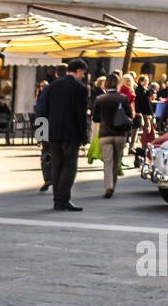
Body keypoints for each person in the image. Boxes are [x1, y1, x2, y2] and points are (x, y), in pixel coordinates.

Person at [43, 57, 90, 211]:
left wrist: (41, 134)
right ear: (78, 71)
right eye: (82, 73)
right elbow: (80, 116)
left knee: (57, 166)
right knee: (69, 167)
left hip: (53, 132)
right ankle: (64, 199)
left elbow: (43, 110)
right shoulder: (80, 89)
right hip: (71, 134)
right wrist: (84, 137)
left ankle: (57, 200)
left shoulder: (52, 86)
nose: (83, 76)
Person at [90, 74, 132, 199]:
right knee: (116, 161)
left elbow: (96, 118)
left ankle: (108, 186)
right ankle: (113, 185)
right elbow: (129, 116)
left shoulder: (100, 99)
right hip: (120, 134)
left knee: (107, 162)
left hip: (105, 134)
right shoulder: (123, 98)